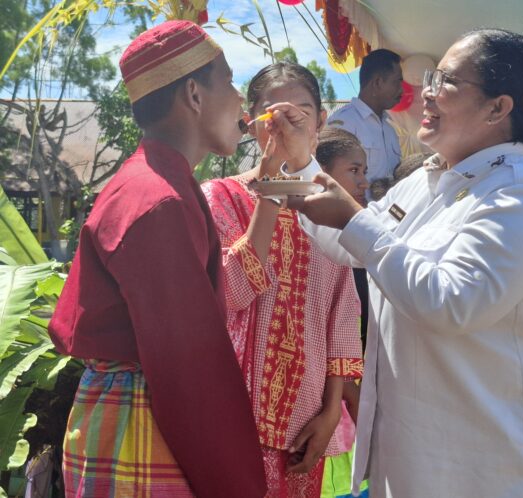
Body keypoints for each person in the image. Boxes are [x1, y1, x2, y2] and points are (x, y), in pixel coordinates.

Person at [289, 28, 523, 497]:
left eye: (447, 81)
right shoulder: (427, 181)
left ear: (499, 108)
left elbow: (453, 302)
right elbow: (347, 241)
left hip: (502, 457)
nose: (427, 92)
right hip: (425, 448)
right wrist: (297, 159)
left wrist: (355, 221)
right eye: (432, 77)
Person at [47, 21, 266, 498]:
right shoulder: (158, 200)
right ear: (193, 94)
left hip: (131, 414)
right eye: (229, 81)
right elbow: (186, 365)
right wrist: (237, 481)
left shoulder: (150, 183)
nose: (240, 103)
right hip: (144, 423)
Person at [200, 62, 363, 497]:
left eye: (299, 114)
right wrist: (272, 187)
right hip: (230, 412)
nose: (284, 126)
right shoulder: (218, 197)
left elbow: (342, 315)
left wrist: (331, 412)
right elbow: (230, 291)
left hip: (304, 417)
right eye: (272, 115)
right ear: (249, 121)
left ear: (322, 122)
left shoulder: (332, 206)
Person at [314, 127, 370, 498]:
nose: (364, 182)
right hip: (330, 389)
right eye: (354, 170)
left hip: (354, 384)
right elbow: (328, 322)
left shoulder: (360, 230)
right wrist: (346, 390)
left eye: (365, 171)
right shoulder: (319, 237)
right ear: (321, 174)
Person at [326, 49, 402, 194]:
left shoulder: (390, 129)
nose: (401, 91)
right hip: (354, 214)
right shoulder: (344, 122)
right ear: (378, 82)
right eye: (397, 82)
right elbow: (331, 180)